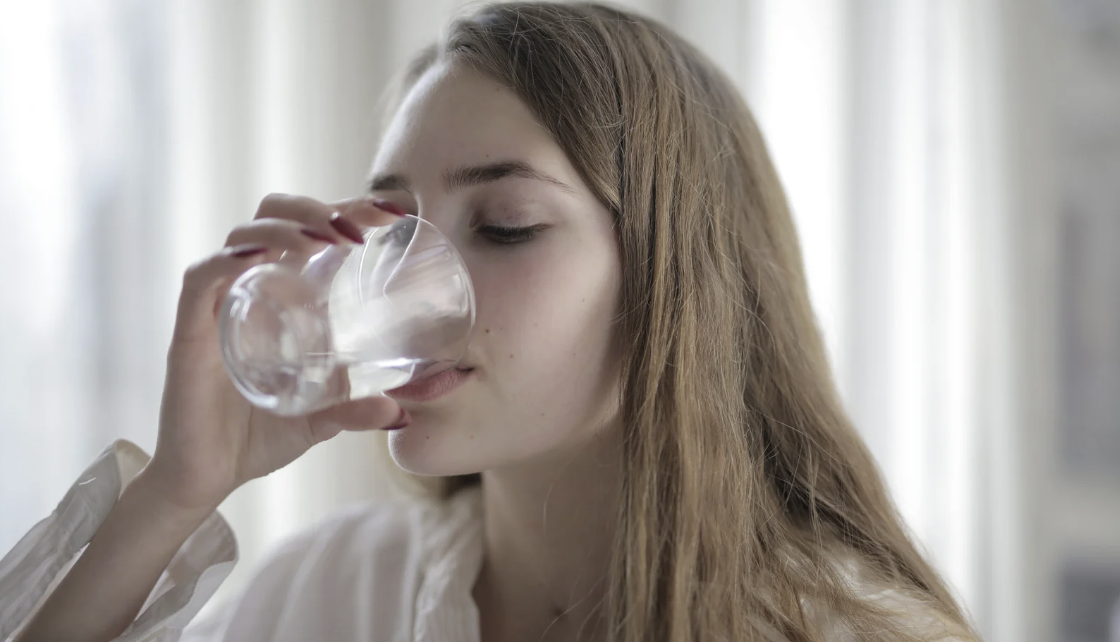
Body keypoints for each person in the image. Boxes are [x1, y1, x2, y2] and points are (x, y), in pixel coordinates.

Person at [0, 2, 980, 641]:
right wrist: (174, 493)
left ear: (673, 281)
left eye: (504, 226)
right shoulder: (335, 593)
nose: (407, 291)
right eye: (392, 230)